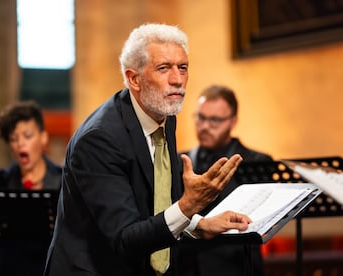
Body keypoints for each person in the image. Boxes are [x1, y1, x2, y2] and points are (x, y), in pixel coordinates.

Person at [44, 23, 251, 276]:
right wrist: (188, 206)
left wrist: (199, 223)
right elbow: (124, 237)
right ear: (134, 79)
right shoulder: (99, 139)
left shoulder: (164, 113)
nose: (177, 80)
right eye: (163, 68)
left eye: (182, 67)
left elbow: (153, 205)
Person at [177, 85, 273, 276]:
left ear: (233, 121)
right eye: (200, 117)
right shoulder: (179, 161)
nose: (205, 126)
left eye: (215, 120)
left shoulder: (257, 162)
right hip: (187, 266)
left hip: (237, 266)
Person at [0, 100, 62, 276]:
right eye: (13, 138)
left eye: (27, 136)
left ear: (43, 137)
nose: (20, 144)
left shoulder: (64, 182)